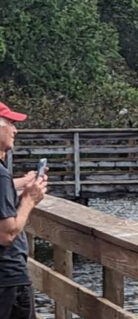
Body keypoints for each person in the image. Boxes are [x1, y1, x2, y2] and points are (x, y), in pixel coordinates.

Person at [0, 102, 48, 319]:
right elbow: (6, 233)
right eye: (10, 123)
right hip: (7, 278)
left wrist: (22, 184)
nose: (15, 130)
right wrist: (29, 200)